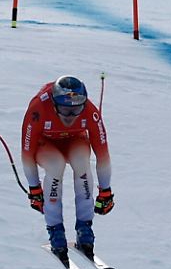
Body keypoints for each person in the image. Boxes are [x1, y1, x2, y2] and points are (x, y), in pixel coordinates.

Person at [20, 75, 114, 259]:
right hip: (45, 143)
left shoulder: (90, 111)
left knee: (82, 165)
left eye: (76, 110)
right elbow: (27, 153)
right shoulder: (39, 108)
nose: (70, 116)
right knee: (56, 166)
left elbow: (102, 154)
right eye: (64, 109)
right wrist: (34, 188)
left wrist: (105, 191)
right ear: (54, 104)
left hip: (74, 140)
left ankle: (84, 229)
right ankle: (56, 230)